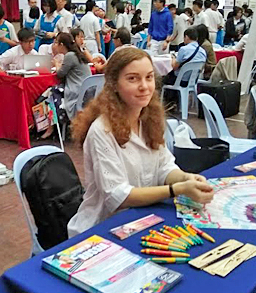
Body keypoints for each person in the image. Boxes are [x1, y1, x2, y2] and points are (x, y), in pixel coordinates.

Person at [67, 48, 214, 236]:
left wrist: (186, 178)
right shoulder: (101, 131)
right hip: (103, 228)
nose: (144, 86)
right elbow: (118, 196)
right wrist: (176, 189)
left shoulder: (149, 119)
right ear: (114, 85)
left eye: (149, 77)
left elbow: (164, 166)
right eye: (133, 79)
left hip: (142, 218)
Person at [40, 33, 93, 139]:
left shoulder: (70, 56)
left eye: (56, 43)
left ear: (62, 44)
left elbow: (60, 74)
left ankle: (49, 128)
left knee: (49, 94)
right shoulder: (76, 54)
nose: (54, 45)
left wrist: (56, 64)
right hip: (85, 90)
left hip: (76, 91)